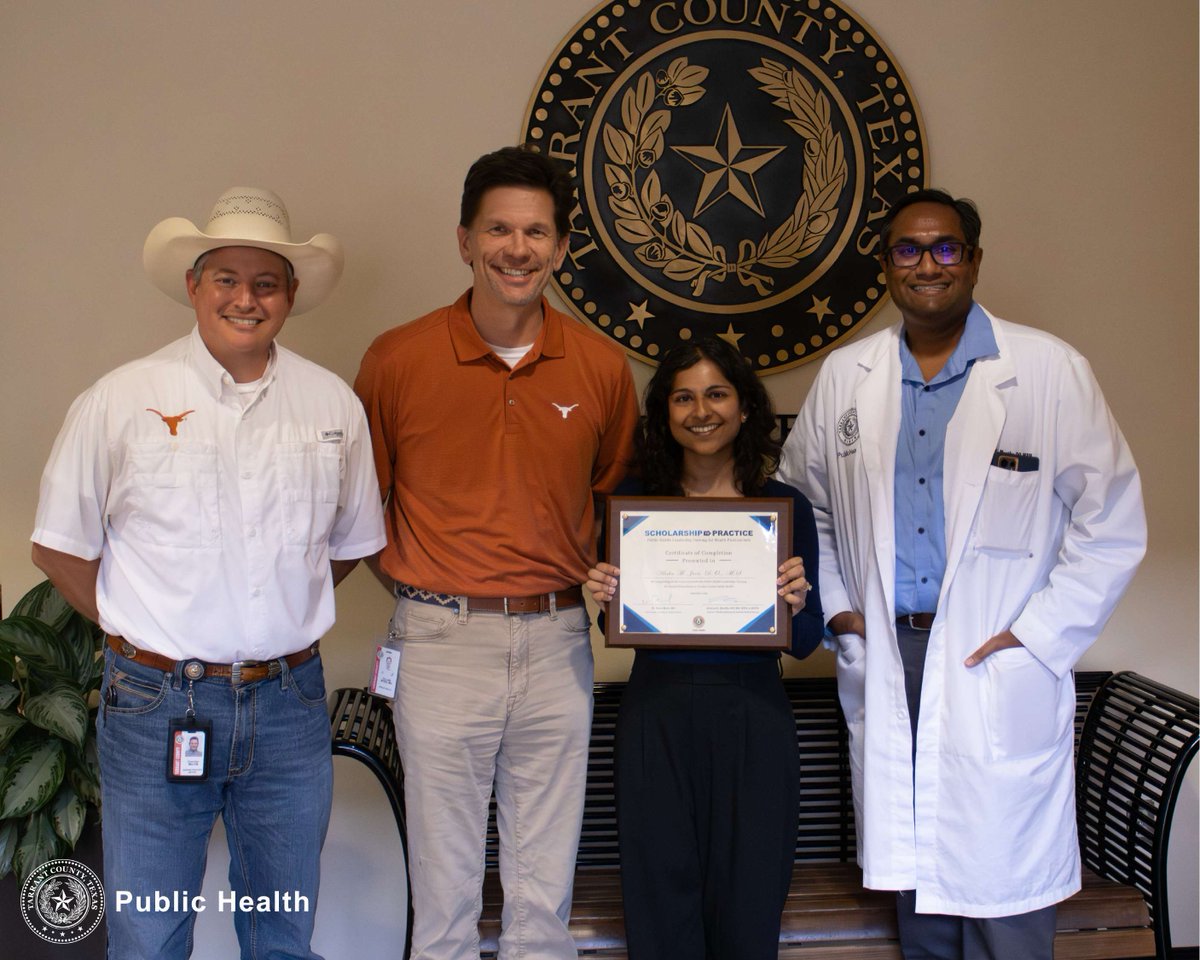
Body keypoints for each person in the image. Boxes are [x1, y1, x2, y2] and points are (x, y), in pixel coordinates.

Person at [778, 189, 1146, 960]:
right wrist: (843, 613)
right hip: (889, 652)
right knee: (920, 881)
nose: (927, 265)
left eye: (945, 248)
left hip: (992, 654)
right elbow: (802, 505)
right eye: (907, 250)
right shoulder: (849, 377)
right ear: (886, 267)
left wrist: (1035, 636)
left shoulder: (1046, 370)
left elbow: (1111, 521)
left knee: (1002, 876)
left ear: (974, 260)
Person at [32, 186, 386, 960]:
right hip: (154, 704)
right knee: (149, 933)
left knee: (283, 929)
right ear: (193, 286)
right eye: (225, 278)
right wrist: (141, 629)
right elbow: (58, 545)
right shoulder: (122, 400)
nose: (245, 298)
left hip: (289, 707)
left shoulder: (332, 407)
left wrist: (276, 613)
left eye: (266, 282)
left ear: (291, 295)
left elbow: (353, 541)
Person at [353, 145, 639, 960]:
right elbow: (361, 510)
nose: (519, 248)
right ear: (465, 240)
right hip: (439, 645)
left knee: (543, 902)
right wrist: (429, 588)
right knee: (442, 901)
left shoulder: (600, 366)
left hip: (556, 644)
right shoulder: (396, 359)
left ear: (561, 247)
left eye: (537, 233)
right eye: (501, 230)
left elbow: (613, 503)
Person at [585, 336, 824, 960]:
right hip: (655, 715)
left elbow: (803, 643)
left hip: (755, 718)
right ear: (665, 414)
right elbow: (622, 622)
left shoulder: (785, 506)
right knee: (659, 899)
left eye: (717, 394)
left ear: (745, 407)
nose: (701, 410)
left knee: (749, 903)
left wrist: (796, 604)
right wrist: (603, 590)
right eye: (683, 397)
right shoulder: (631, 506)